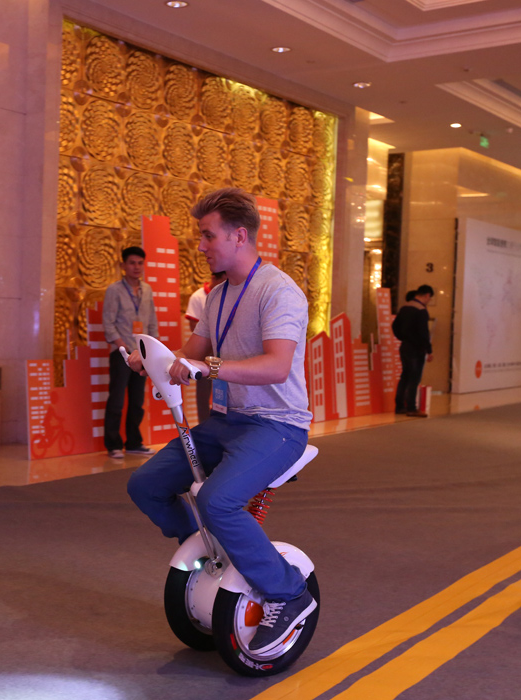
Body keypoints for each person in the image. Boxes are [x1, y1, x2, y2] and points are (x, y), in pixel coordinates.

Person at [125, 188, 317, 654]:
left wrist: (207, 367)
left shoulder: (278, 291)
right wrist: (150, 360)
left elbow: (276, 366)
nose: (201, 245)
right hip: (225, 422)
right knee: (146, 485)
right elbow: (188, 355)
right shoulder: (217, 296)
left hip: (277, 426)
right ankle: (206, 547)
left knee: (218, 500)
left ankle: (289, 593)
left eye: (208, 236)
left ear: (239, 236)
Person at [102, 246, 158, 459]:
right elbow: (108, 323)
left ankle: (134, 442)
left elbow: (152, 321)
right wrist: (123, 348)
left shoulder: (147, 290)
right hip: (121, 353)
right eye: (132, 263)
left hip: (142, 354)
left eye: (140, 263)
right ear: (123, 265)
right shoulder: (114, 290)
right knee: (116, 399)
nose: (136, 267)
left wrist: (151, 348)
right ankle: (113, 444)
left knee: (137, 400)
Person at [185, 271, 227, 424]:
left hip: (226, 352)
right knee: (203, 392)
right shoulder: (198, 296)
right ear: (214, 277)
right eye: (224, 280)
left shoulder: (229, 294)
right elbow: (193, 326)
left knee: (226, 392)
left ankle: (224, 425)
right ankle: (203, 424)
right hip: (206, 352)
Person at [392, 284, 434, 417]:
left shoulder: (404, 308)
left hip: (405, 346)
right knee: (414, 378)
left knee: (405, 376)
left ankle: (399, 406)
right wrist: (429, 350)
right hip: (417, 349)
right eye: (430, 298)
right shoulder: (421, 310)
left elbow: (395, 326)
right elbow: (424, 333)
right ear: (427, 295)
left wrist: (402, 337)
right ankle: (411, 407)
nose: (429, 300)